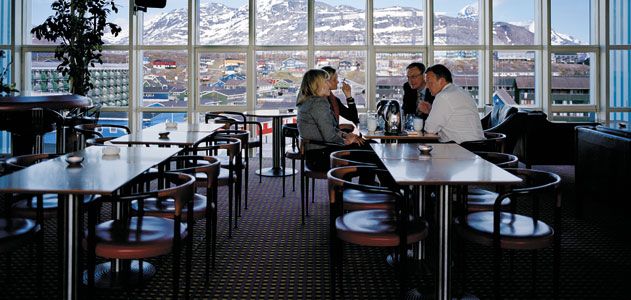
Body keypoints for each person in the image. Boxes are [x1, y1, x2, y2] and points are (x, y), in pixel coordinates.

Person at [296, 69, 365, 171]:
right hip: (321, 157)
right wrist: (346, 141)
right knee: (370, 152)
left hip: (317, 154)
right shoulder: (318, 104)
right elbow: (329, 136)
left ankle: (355, 185)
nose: (330, 84)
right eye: (327, 81)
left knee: (368, 149)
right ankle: (347, 184)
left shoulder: (311, 101)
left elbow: (331, 129)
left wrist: (345, 135)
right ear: (317, 85)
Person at [419, 64, 484, 144]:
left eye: (430, 82)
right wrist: (430, 111)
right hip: (479, 146)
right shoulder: (462, 92)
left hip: (462, 149)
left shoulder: (443, 96)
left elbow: (430, 129)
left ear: (441, 81)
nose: (427, 87)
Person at [321, 66, 359, 132]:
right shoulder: (318, 102)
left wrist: (348, 96)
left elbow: (353, 118)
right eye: (334, 79)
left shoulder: (333, 100)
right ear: (326, 82)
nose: (337, 82)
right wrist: (339, 127)